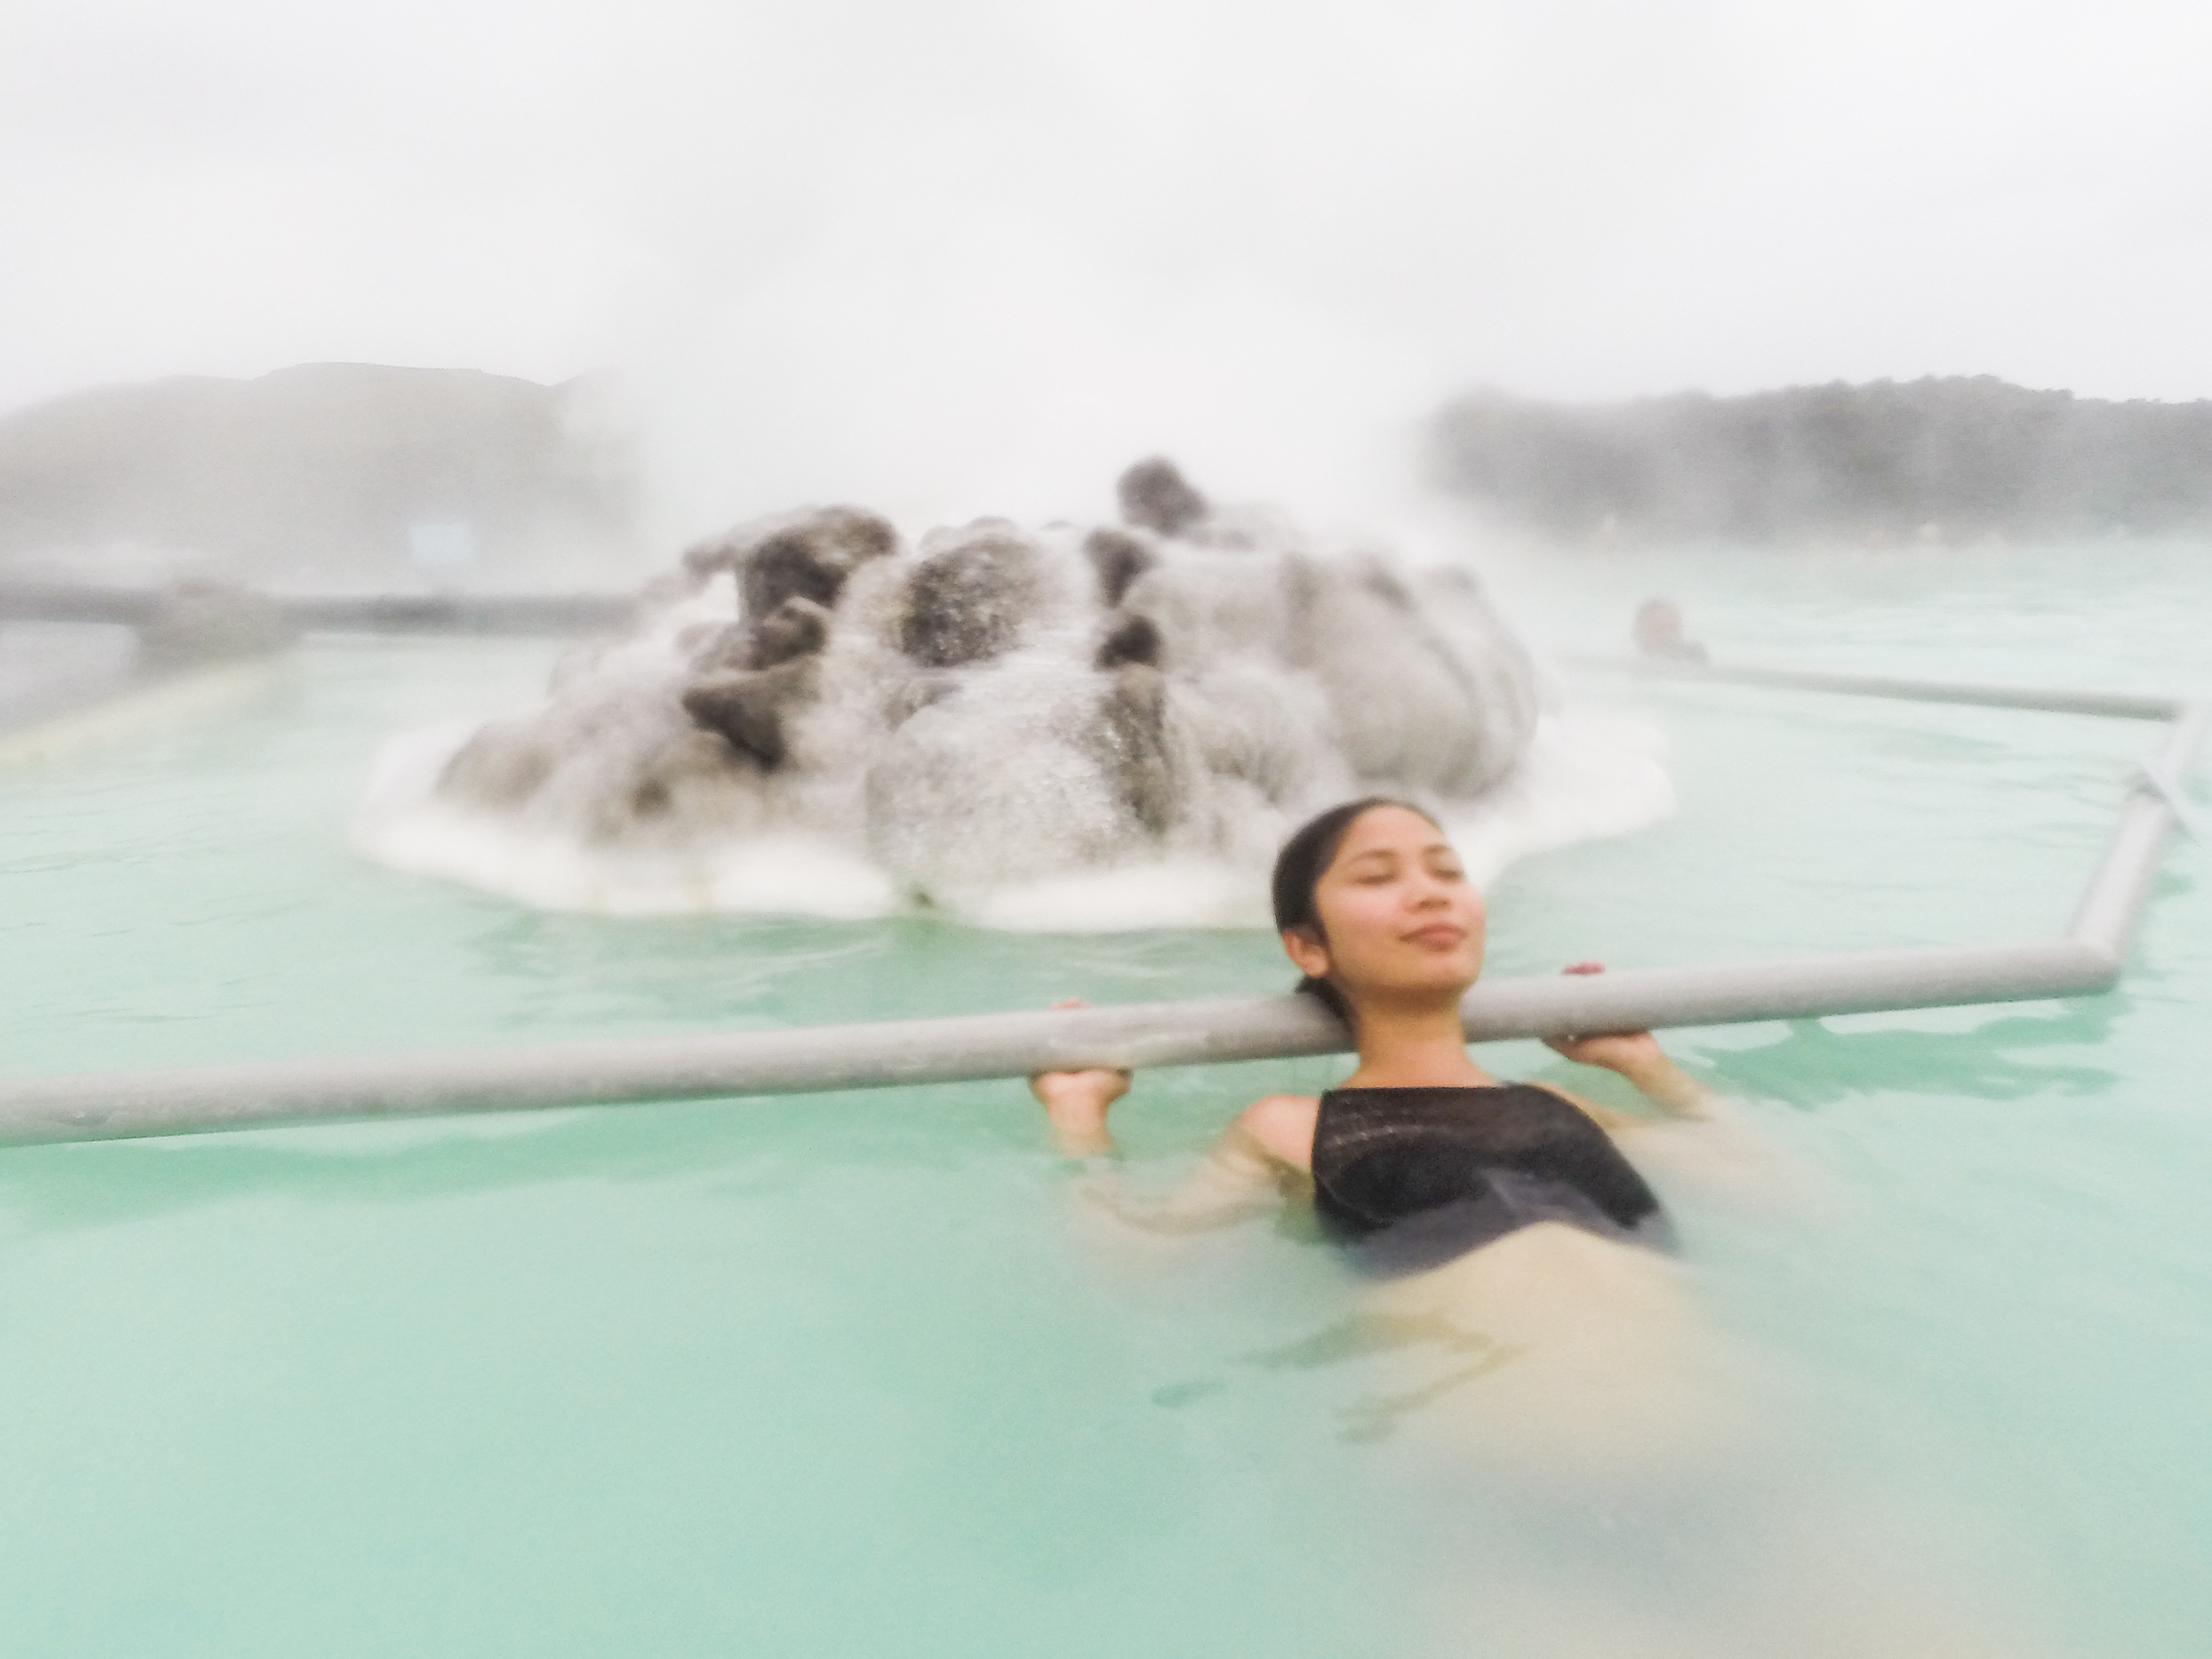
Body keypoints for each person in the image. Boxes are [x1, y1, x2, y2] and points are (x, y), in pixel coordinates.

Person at [1030, 796, 1739, 1474]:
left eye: (1447, 871)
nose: (1430, 893)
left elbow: (1783, 1196)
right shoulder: (1289, 1128)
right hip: (1509, 1495)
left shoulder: (1558, 1102)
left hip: (1743, 1460)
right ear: (1308, 947)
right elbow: (1137, 1271)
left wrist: (1647, 1068)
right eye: (1378, 876)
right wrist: (1079, 1116)